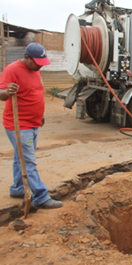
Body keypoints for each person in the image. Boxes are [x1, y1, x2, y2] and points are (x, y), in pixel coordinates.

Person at [0, 43, 63, 209]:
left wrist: (39, 115)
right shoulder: (12, 70)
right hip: (19, 125)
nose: (40, 65)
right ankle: (41, 197)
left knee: (19, 157)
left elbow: (34, 92)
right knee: (28, 160)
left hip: (32, 122)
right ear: (26, 58)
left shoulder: (36, 71)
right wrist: (7, 91)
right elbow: (1, 93)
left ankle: (17, 188)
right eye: (37, 62)